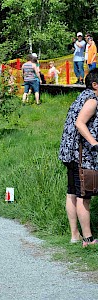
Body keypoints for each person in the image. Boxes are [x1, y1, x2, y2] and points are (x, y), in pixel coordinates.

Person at [58, 68, 98, 247]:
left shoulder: (82, 96)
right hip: (80, 155)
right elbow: (80, 123)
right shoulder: (92, 100)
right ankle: (88, 239)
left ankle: (75, 235)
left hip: (69, 153)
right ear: (95, 85)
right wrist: (95, 143)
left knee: (72, 193)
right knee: (84, 196)